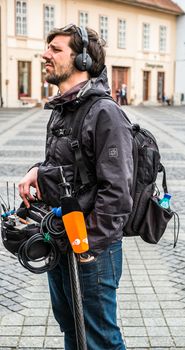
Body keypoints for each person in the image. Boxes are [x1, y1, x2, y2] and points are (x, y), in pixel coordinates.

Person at [18, 24, 133, 350]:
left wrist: (86, 248)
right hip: (61, 241)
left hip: (91, 251)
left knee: (100, 339)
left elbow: (117, 194)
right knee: (72, 327)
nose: (45, 54)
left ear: (82, 58)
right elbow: (68, 167)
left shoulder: (105, 113)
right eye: (47, 48)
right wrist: (36, 171)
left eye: (55, 48)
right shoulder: (64, 109)